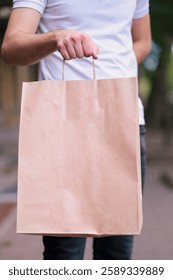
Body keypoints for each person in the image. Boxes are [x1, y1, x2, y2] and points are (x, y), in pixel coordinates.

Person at [1, 0, 151, 260]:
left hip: (124, 120)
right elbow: (11, 47)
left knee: (116, 256)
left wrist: (111, 71)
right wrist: (56, 38)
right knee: (64, 257)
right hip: (64, 125)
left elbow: (143, 41)